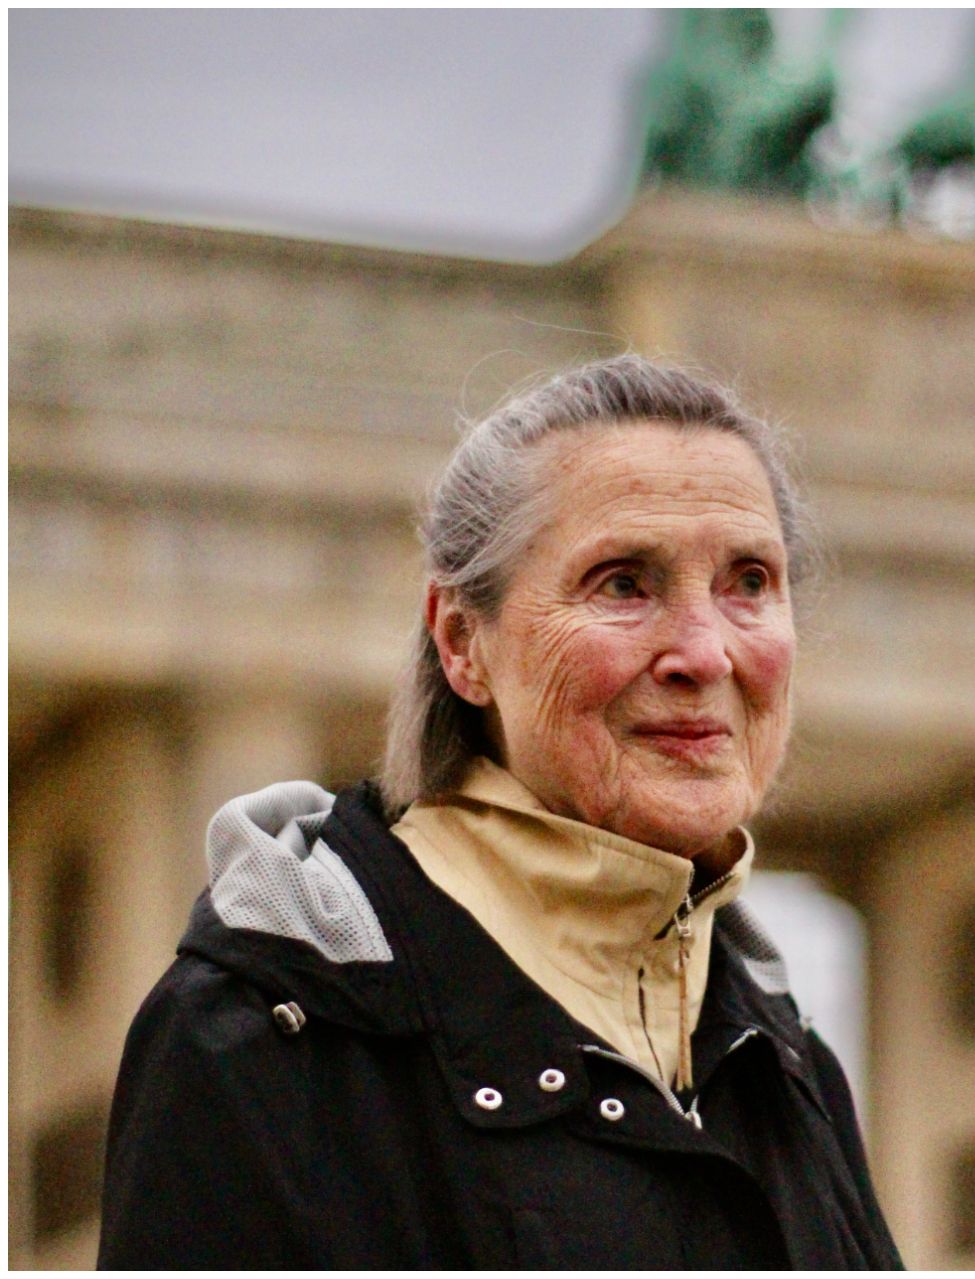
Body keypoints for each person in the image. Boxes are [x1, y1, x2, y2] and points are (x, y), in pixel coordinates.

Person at [99, 356, 904, 1268]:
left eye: (749, 581)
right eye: (624, 583)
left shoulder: (791, 1067)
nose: (705, 652)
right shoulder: (263, 1043)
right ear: (461, 642)